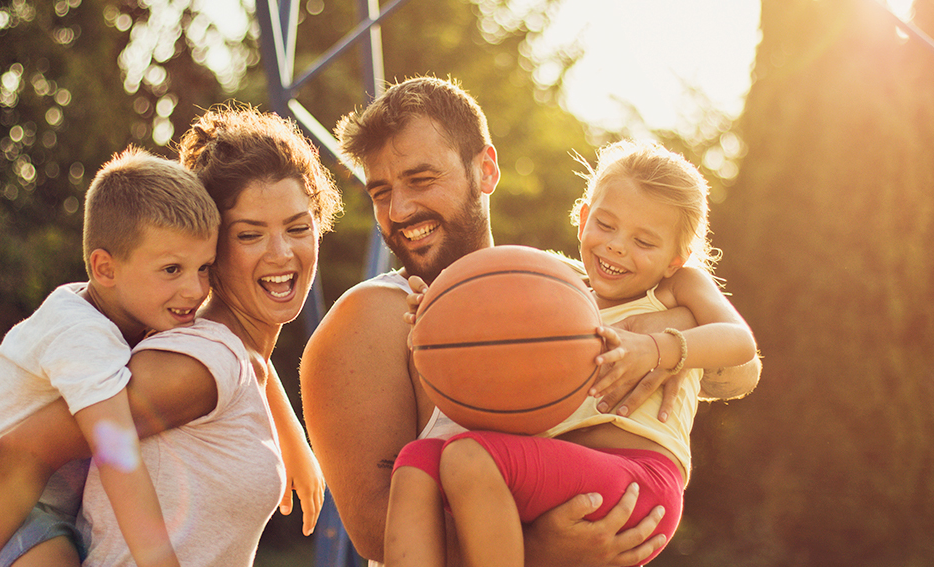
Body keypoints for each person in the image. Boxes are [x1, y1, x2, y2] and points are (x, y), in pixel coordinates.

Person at [300, 76, 760, 567]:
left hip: (627, 482)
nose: (400, 209)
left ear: (486, 170)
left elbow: (741, 370)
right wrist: (541, 552)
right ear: (585, 219)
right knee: (437, 463)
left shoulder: (565, 288)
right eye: (380, 191)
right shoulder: (371, 314)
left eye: (421, 179)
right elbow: (375, 529)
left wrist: (663, 337)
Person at [0, 103, 341, 566]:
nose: (281, 253)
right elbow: (28, 448)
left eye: (298, 227)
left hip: (48, 509)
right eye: (250, 235)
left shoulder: (171, 324)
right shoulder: (132, 348)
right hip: (1, 512)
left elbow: (244, 358)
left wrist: (293, 440)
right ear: (216, 245)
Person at [0, 147, 219, 567]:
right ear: (105, 269)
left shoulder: (138, 307)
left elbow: (236, 350)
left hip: (67, 513)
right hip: (2, 511)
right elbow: (116, 454)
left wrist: (290, 439)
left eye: (204, 268)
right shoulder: (80, 334)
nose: (196, 290)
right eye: (172, 270)